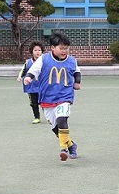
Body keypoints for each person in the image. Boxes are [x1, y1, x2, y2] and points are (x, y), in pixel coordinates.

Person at [24, 32, 80, 161]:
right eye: (61, 48)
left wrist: (77, 82)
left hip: (64, 96)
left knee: (62, 120)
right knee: (55, 128)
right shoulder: (44, 59)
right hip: (47, 98)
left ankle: (63, 149)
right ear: (53, 48)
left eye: (66, 48)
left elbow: (77, 71)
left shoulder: (72, 60)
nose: (64, 50)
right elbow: (34, 70)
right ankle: (71, 145)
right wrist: (28, 77)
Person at [17, 41, 45, 124]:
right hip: (31, 86)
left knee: (44, 101)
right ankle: (37, 117)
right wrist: (20, 76)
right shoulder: (28, 62)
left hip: (42, 85)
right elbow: (23, 70)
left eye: (39, 50)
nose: (37, 52)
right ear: (32, 52)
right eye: (35, 50)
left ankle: (49, 116)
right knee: (33, 102)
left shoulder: (45, 61)